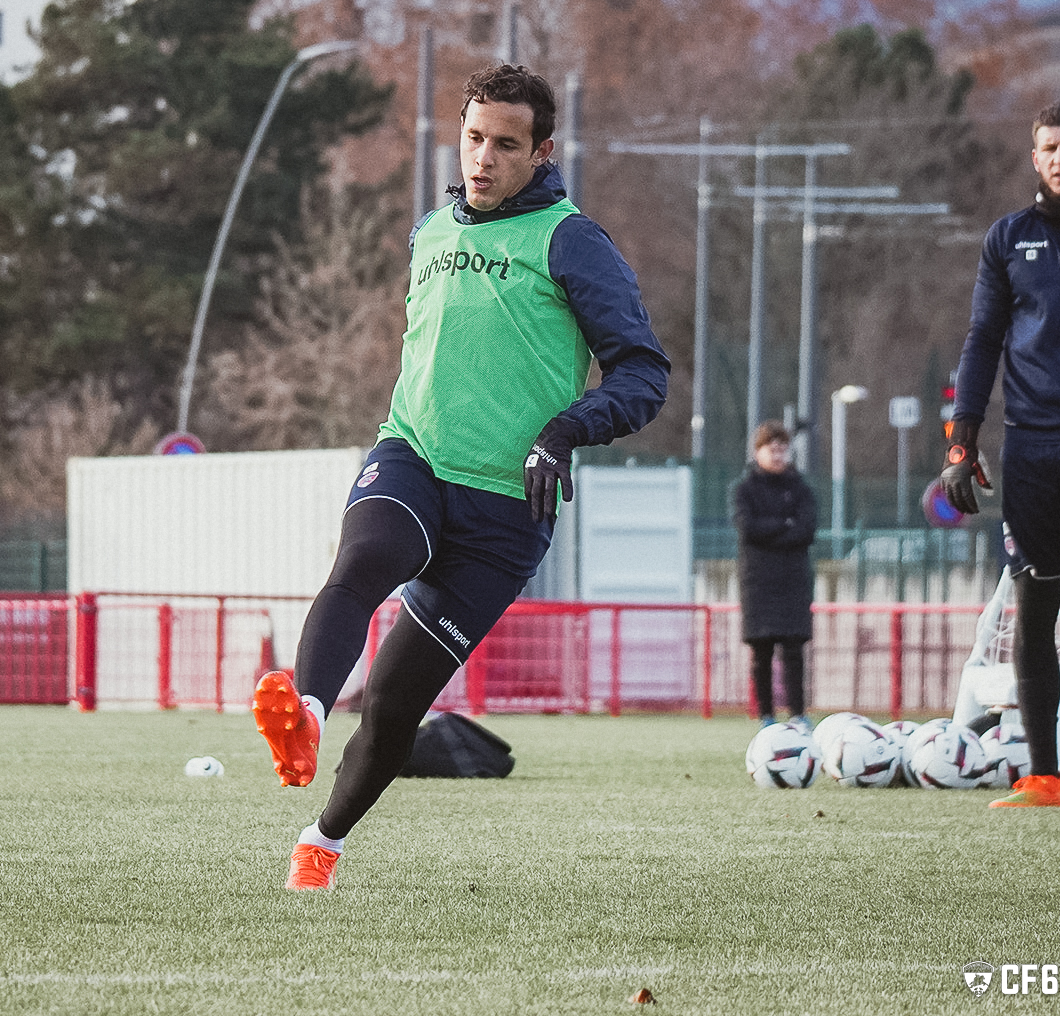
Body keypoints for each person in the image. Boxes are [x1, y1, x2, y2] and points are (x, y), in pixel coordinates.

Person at [251, 63, 669, 890]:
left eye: (506, 145)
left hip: (506, 509)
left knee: (395, 705)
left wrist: (565, 430)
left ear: (542, 152)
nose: (482, 158)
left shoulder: (571, 241)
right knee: (363, 562)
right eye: (473, 138)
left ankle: (321, 844)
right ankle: (305, 715)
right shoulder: (431, 232)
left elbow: (643, 373)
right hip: (413, 454)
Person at [942, 100, 1060, 809]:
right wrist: (961, 439)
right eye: (1051, 149)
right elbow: (983, 339)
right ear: (1034, 157)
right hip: (1029, 446)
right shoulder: (1007, 238)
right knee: (1033, 605)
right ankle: (1043, 777)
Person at [732, 420, 818, 732]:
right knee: (761, 651)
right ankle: (765, 716)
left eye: (783, 449)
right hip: (758, 582)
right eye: (773, 449)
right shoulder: (745, 490)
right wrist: (785, 524)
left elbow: (806, 530)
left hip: (793, 580)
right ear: (758, 452)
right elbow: (748, 528)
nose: (778, 455)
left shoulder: (801, 489)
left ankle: (798, 714)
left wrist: (771, 530)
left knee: (794, 650)